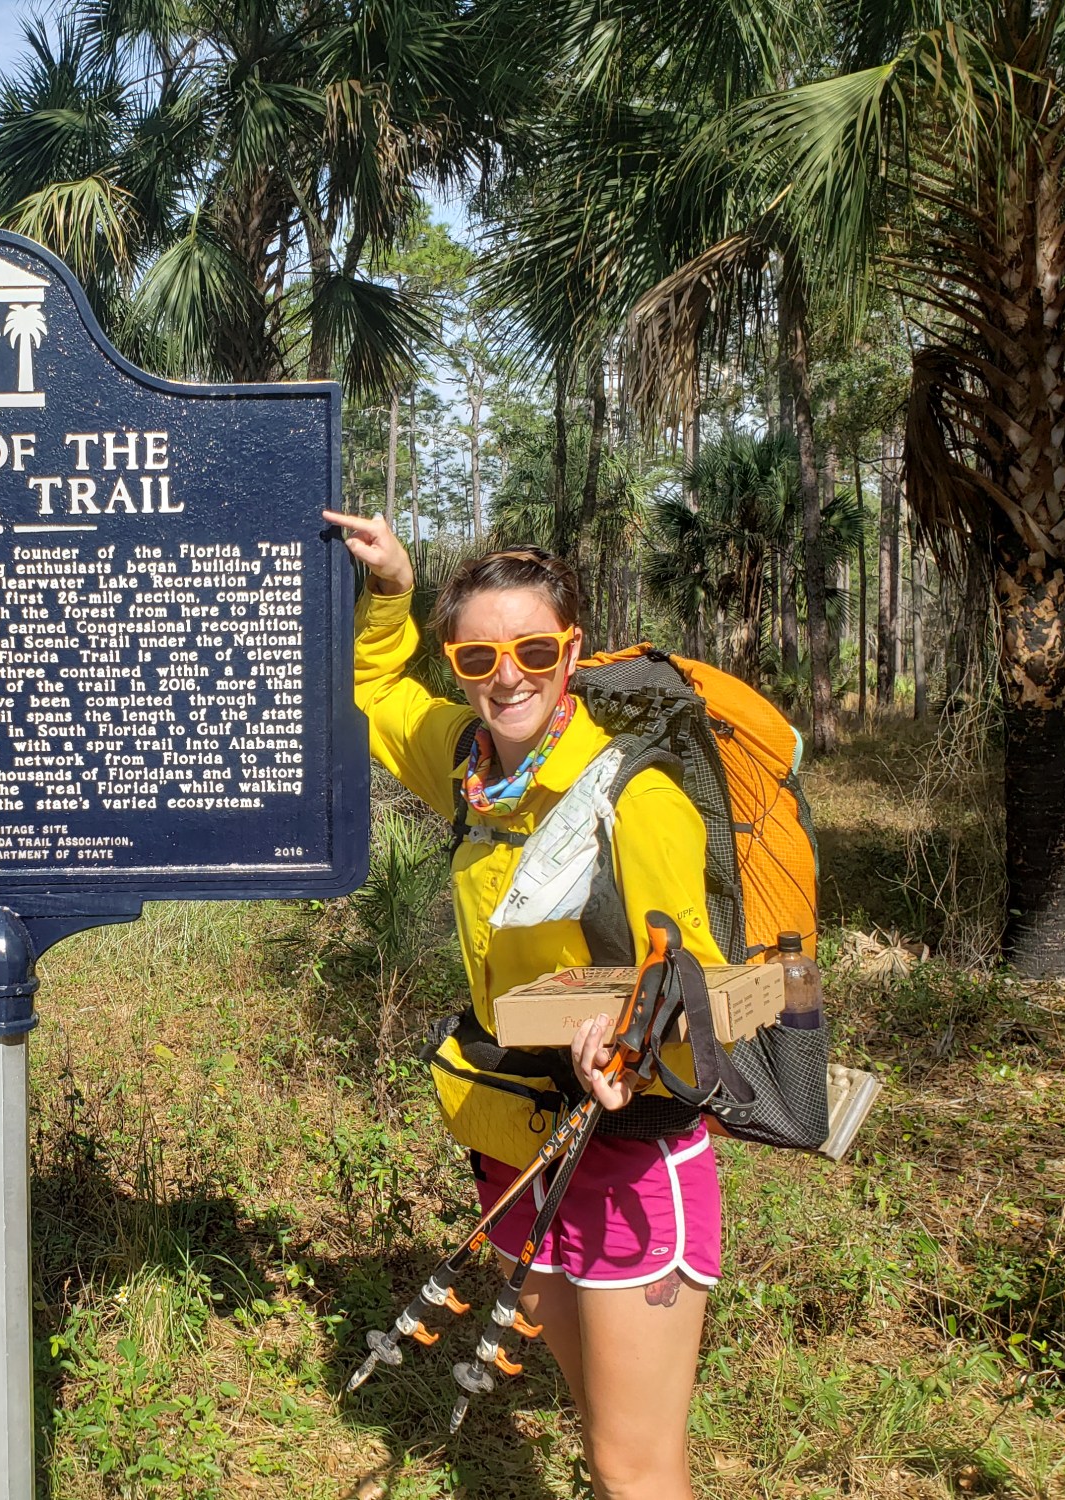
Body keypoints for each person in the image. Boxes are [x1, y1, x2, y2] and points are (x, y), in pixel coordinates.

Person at [325, 509, 727, 1500]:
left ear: (571, 653)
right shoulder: (471, 768)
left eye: (534, 651)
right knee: (602, 1439)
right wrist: (391, 592)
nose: (507, 676)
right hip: (518, 1139)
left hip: (625, 1151)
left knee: (634, 1467)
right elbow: (375, 692)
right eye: (478, 656)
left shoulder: (633, 798)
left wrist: (626, 1044)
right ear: (458, 664)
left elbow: (699, 989)